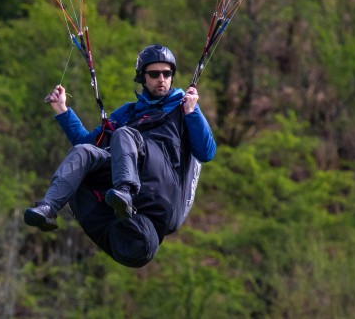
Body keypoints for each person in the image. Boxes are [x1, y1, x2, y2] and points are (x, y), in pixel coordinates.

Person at [24, 44, 216, 267]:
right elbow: (88, 145)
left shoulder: (183, 105)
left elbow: (206, 152)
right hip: (135, 181)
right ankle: (49, 207)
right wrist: (63, 111)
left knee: (125, 134)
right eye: (154, 74)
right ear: (142, 78)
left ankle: (124, 192)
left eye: (167, 73)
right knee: (82, 153)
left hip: (164, 183)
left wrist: (192, 112)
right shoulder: (128, 112)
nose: (161, 79)